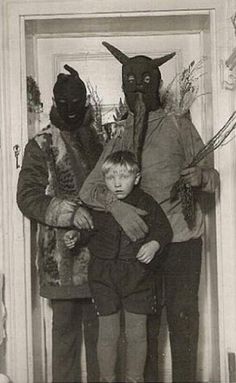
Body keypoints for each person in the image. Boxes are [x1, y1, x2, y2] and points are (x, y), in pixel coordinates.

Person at [79, 42, 220, 383]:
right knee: (146, 328)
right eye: (131, 84)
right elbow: (88, 190)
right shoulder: (119, 134)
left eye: (145, 82)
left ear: (156, 84)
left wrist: (201, 176)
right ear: (124, 89)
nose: (138, 91)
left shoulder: (177, 125)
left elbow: (212, 178)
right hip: (139, 249)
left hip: (182, 242)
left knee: (184, 322)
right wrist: (117, 207)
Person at [17, 64, 103, 383]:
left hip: (102, 258)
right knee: (65, 340)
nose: (70, 109)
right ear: (53, 101)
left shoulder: (102, 138)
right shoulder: (40, 144)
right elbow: (27, 196)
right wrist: (67, 212)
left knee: (103, 342)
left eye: (76, 102)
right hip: (61, 262)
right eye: (63, 102)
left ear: (86, 102)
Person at [64, 150, 173, 383]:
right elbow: (88, 231)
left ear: (136, 178)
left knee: (136, 333)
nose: (117, 183)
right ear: (104, 180)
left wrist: (153, 245)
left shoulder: (146, 203)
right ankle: (107, 379)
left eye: (123, 177)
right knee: (108, 334)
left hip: (138, 276)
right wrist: (75, 235)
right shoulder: (99, 205)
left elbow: (164, 231)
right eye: (111, 178)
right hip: (104, 276)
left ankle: (135, 379)